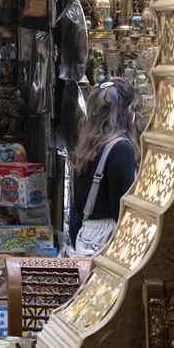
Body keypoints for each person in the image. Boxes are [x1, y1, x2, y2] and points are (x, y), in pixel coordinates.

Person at [67, 79, 139, 256]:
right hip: (108, 241)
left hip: (86, 237)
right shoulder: (122, 149)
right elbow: (122, 211)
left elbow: (76, 210)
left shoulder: (86, 147)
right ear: (127, 112)